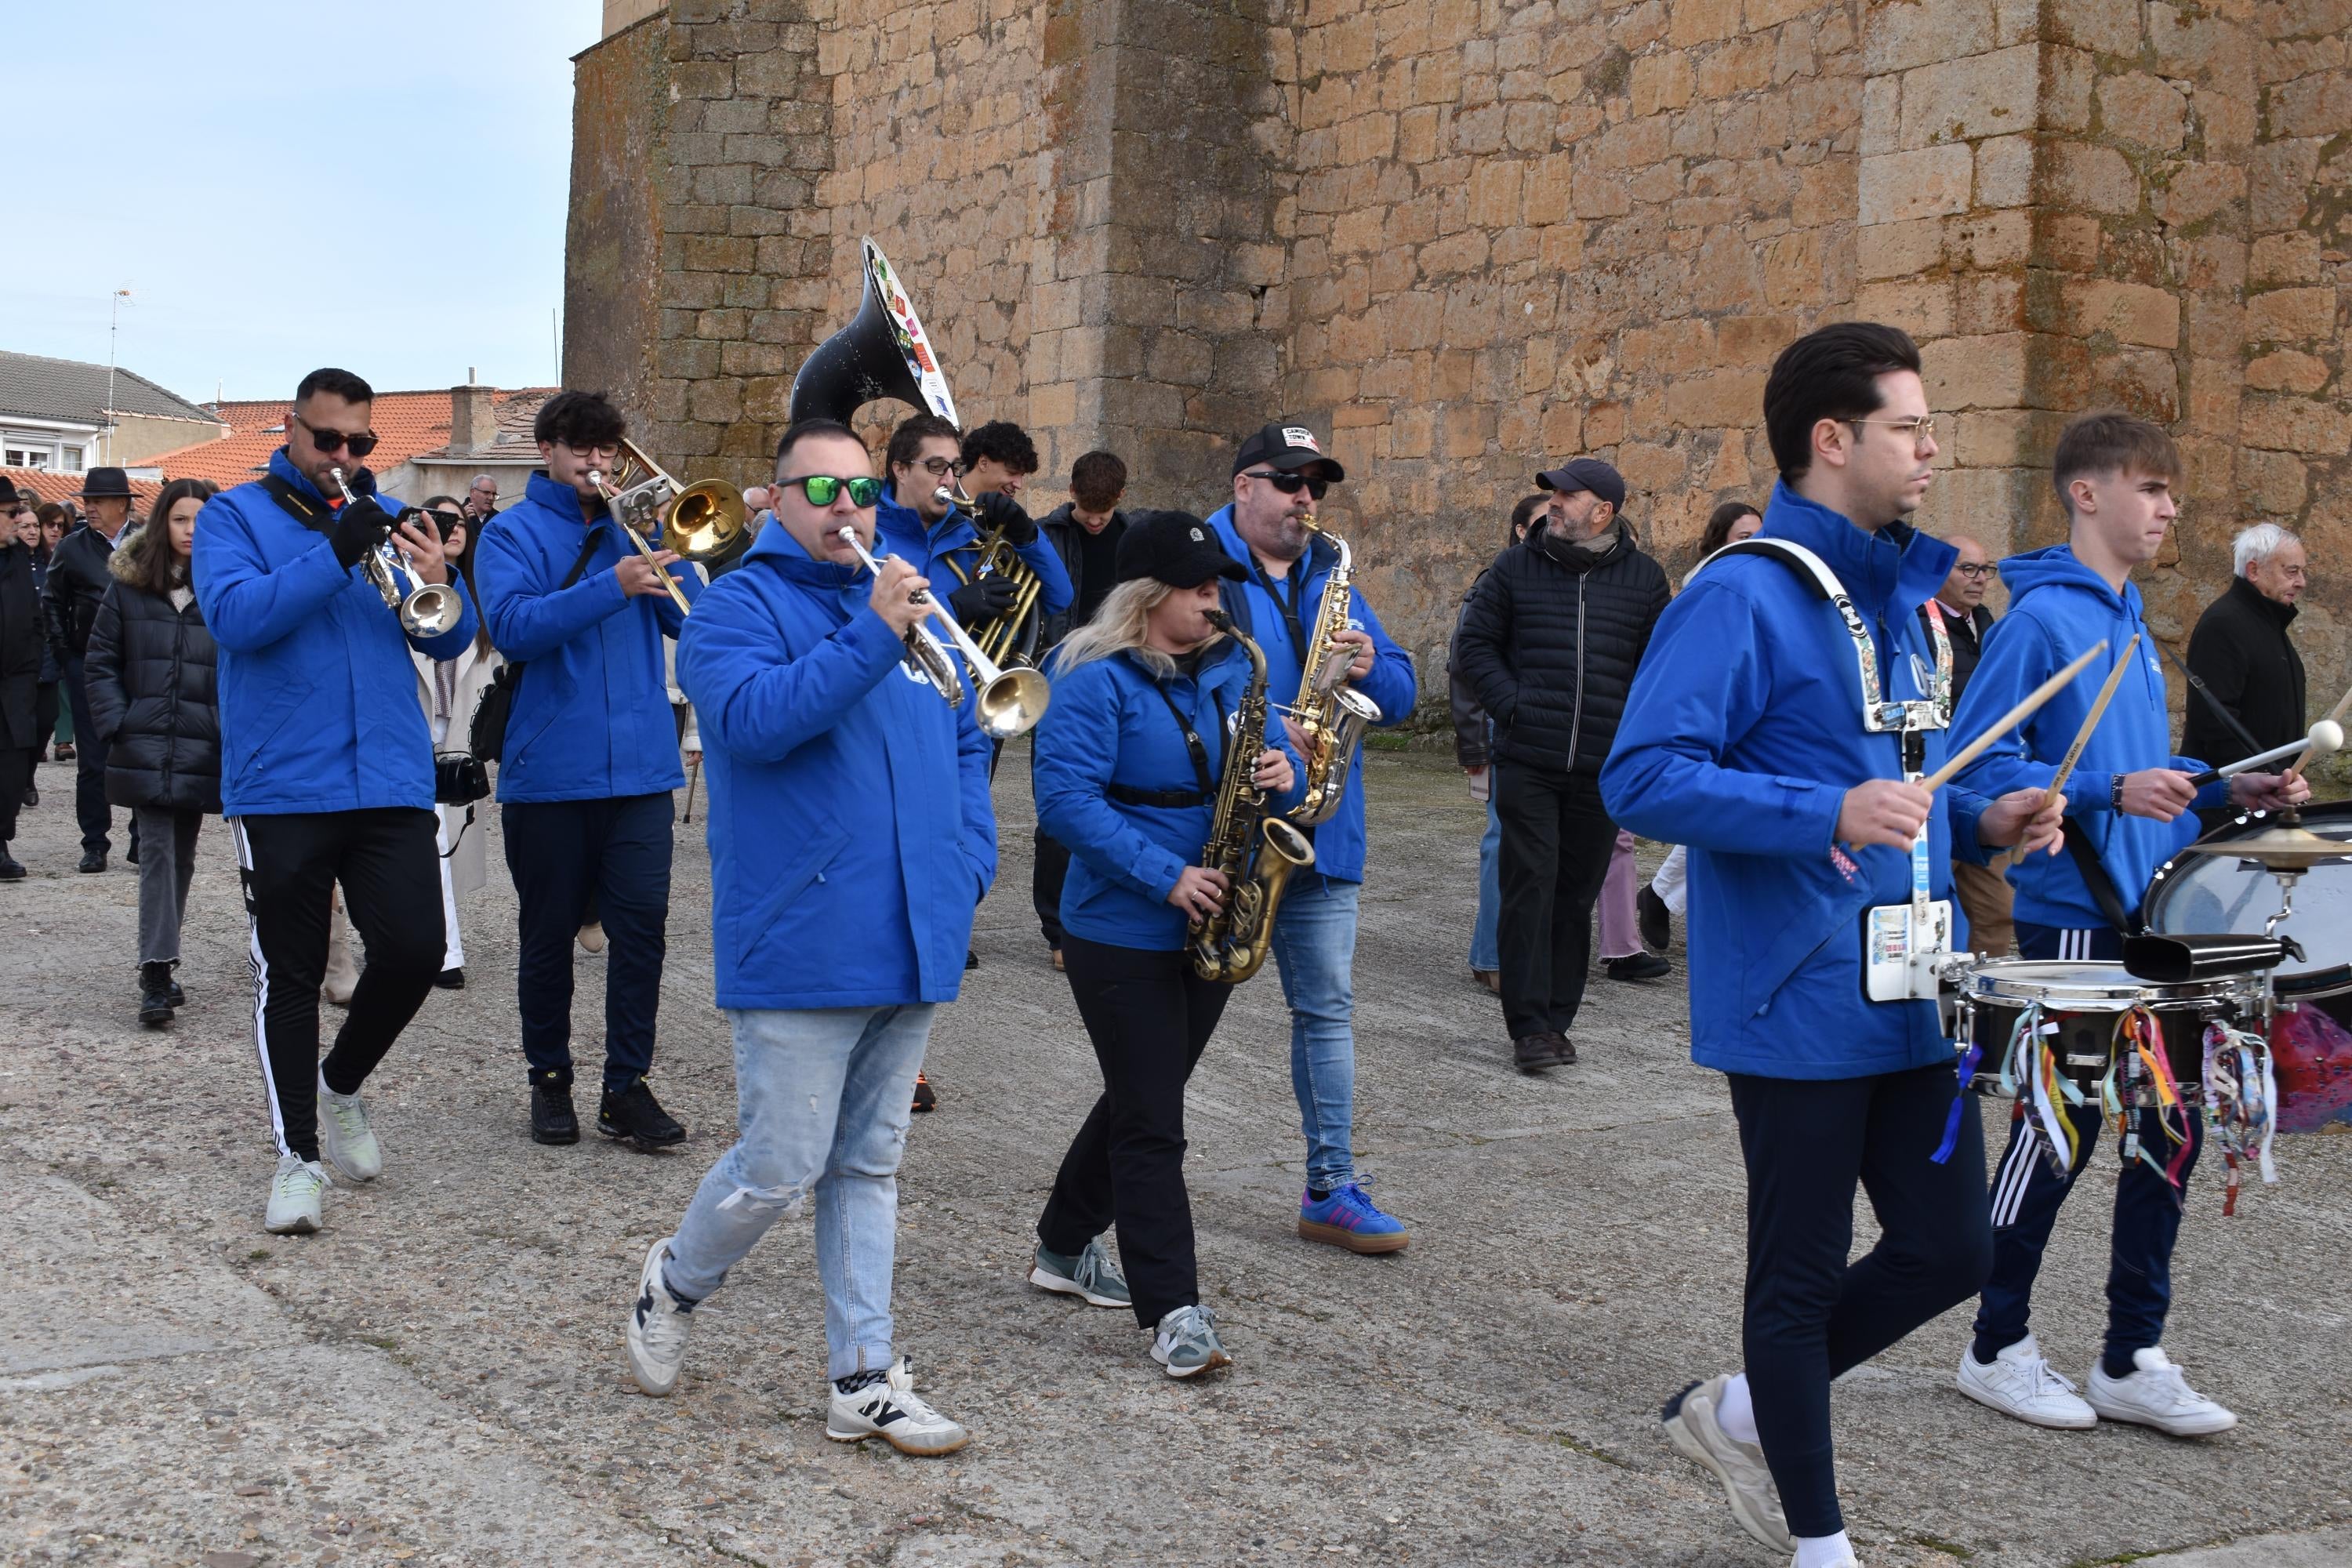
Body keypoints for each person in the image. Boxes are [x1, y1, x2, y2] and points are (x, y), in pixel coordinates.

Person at [1604, 322, 2064, 1568]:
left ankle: (1747, 1404)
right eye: (1910, 428)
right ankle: (1820, 1544)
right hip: (1795, 996)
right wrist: (1821, 815)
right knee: (1796, 1277)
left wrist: (1984, 811)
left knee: (1952, 1249)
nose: (1930, 451)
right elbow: (1640, 779)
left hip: (1911, 988)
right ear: (1832, 440)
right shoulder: (1743, 594)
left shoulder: (1904, 600)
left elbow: (1900, 773)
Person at [623, 416, 992, 1456]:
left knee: (869, 1164)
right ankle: (676, 1280)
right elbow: (752, 722)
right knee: (778, 1165)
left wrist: (970, 862)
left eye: (862, 492)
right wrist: (871, 633)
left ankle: (863, 1378)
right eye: (822, 492)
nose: (849, 510)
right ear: (774, 500)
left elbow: (968, 729)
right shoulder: (734, 604)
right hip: (802, 931)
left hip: (916, 926)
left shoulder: (916, 598)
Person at [1947, 412, 2308, 1441]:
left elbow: (2154, 780)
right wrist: (2109, 786)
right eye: (2150, 489)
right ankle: (1995, 1345)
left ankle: (2128, 1355)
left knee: (2171, 1130)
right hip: (2070, 920)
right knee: (2055, 1136)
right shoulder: (2039, 625)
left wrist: (2224, 786)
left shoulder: (2129, 625)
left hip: (2153, 923)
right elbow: (1980, 773)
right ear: (2086, 494)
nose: (2167, 510)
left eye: (2174, 496)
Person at [192, 366, 478, 1236]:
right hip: (283, 782)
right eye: (328, 440)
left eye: (361, 443)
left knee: (416, 949)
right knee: (293, 973)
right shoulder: (231, 517)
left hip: (388, 773)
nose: (345, 456)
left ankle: (340, 1083)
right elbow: (238, 618)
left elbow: (447, 633)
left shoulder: (380, 521)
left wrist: (442, 580)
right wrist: (336, 549)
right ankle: (298, 1156)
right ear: (289, 430)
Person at [1029, 509, 1304, 1375]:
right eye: (1199, 589)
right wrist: (1165, 875)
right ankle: (1174, 1309)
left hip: (1215, 915)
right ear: (1149, 598)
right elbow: (1066, 804)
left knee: (1138, 1095)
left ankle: (1063, 1243)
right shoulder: (1090, 678)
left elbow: (1244, 772)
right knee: (1154, 1119)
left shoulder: (1229, 671)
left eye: (1217, 586)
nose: (1215, 603)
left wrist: (1277, 772)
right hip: (1120, 925)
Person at [1204, 421, 1419, 1252]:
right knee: (1181, 1012)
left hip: (1323, 833)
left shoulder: (1336, 575)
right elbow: (1167, 673)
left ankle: (1331, 1184)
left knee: (1326, 1010)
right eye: (1289, 480)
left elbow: (1399, 690)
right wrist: (1255, 726)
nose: (1305, 499)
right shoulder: (1201, 564)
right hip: (1222, 830)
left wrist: (1370, 667)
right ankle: (1125, 1178)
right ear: (1242, 486)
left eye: (1316, 486)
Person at [476, 390, 700, 1149]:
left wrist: (677, 547)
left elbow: (696, 620)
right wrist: (612, 583)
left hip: (641, 771)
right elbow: (512, 627)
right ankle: (549, 1078)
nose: (597, 465)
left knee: (642, 933)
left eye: (609, 453)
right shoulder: (509, 533)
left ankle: (625, 1085)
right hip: (549, 773)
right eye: (583, 451)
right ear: (548, 450)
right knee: (546, 937)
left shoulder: (631, 530)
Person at [873, 412, 1072, 1103]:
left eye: (953, 469)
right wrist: (949, 601)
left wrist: (1025, 532)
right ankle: (884, 1058)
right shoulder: (869, 530)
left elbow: (1063, 597)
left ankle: (905, 1060)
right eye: (937, 468)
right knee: (883, 891)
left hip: (964, 724)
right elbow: (857, 618)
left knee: (941, 878)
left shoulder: (971, 532)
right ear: (899, 468)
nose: (949, 482)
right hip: (885, 726)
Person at [1455, 456, 1669, 1073]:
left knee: (1575, 897)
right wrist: (1514, 708)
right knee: (1529, 888)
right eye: (1552, 494)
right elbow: (1474, 644)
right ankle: (1529, 1028)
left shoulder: (1645, 579)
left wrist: (1632, 731)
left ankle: (1558, 1018)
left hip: (1602, 768)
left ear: (1604, 510)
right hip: (1528, 759)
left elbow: (1657, 667)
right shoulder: (1515, 566)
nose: (1554, 503)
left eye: (1568, 496)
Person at [84, 479, 221, 1024]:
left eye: (202, 521)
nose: (191, 531)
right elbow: (100, 662)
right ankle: (156, 972)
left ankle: (164, 958)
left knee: (181, 856)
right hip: (145, 741)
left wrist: (220, 724)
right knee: (159, 851)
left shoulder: (226, 585)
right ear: (162, 522)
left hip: (201, 743)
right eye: (182, 519)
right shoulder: (130, 586)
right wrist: (119, 721)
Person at [1639, 501, 1765, 950]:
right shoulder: (1708, 587)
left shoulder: (1767, 588)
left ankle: (1660, 897)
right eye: (1744, 537)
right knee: (1722, 818)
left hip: (1751, 722)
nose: (1757, 545)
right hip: (1717, 721)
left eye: (1760, 535)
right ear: (1721, 541)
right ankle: (1662, 899)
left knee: (1733, 822)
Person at [1033, 448, 1132, 966]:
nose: (1095, 523)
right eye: (1086, 512)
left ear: (1120, 498)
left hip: (1121, 683)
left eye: (1104, 513)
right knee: (1059, 811)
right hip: (1059, 680)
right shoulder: (1045, 535)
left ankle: (1100, 919)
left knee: (1115, 805)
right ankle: (1057, 932)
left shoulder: (1133, 539)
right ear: (1070, 493)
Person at [1454, 493, 1547, 991]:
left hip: (1547, 729)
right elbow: (1463, 666)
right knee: (1502, 843)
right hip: (1504, 727)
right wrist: (1475, 749)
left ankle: (1523, 953)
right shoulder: (1497, 581)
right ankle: (1492, 956)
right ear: (1519, 531)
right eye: (1542, 521)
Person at [410, 497, 501, 993]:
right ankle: (445, 950)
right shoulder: (401, 585)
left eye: (458, 522)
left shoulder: (481, 595)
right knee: (428, 837)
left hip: (462, 731)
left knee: (447, 838)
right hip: (415, 724)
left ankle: (437, 944)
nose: (450, 529)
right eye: (437, 520)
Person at [43, 466, 142, 872]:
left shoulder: (145, 544)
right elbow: (51, 602)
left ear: (122, 503)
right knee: (93, 758)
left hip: (139, 663)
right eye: (86, 501)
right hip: (87, 665)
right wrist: (66, 653)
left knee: (141, 753)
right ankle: (95, 842)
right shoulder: (72, 547)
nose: (89, 508)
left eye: (97, 501)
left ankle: (143, 840)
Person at [1918, 534, 2011, 955]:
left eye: (1985, 570)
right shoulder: (1918, 625)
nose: (1979, 579)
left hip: (1984, 787)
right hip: (1936, 787)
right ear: (1940, 571)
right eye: (1967, 569)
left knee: (1996, 909)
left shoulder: (1989, 624)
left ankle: (1981, 1007)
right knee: (1932, 906)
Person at [2181, 523, 2307, 778]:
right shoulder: (2223, 624)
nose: (2301, 582)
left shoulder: (2271, 624)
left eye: (2302, 572)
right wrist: (2258, 781)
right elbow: (2214, 722)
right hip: (2230, 801)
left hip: (2268, 794)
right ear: (2253, 570)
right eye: (2292, 571)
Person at [0, 481, 38, 877]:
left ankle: (1, 845)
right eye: (11, 513)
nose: (18, 521)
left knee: (11, 774)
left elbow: (34, 621)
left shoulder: (18, 562)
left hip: (13, 686)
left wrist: (28, 673)